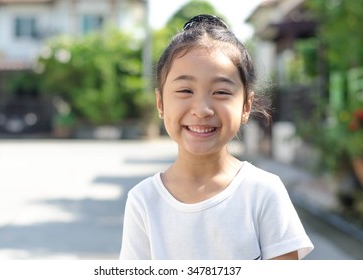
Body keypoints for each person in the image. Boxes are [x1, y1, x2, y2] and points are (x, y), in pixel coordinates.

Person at [119, 14, 314, 260]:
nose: (201, 109)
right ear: (160, 103)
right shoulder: (144, 200)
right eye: (185, 90)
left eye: (221, 91)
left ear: (246, 105)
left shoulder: (264, 192)